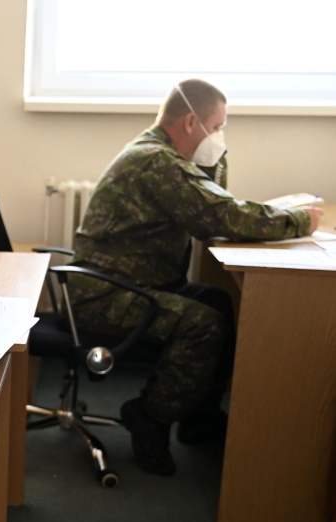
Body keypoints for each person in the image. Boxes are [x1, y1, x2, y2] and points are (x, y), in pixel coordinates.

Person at [68, 78, 323, 477]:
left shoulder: (163, 155)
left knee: (218, 301)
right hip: (104, 293)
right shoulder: (157, 162)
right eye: (217, 127)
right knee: (203, 323)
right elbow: (222, 218)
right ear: (191, 122)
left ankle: (198, 415)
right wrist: (300, 221)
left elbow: (213, 203)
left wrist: (211, 160)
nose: (220, 137)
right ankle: (149, 417)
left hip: (134, 281)